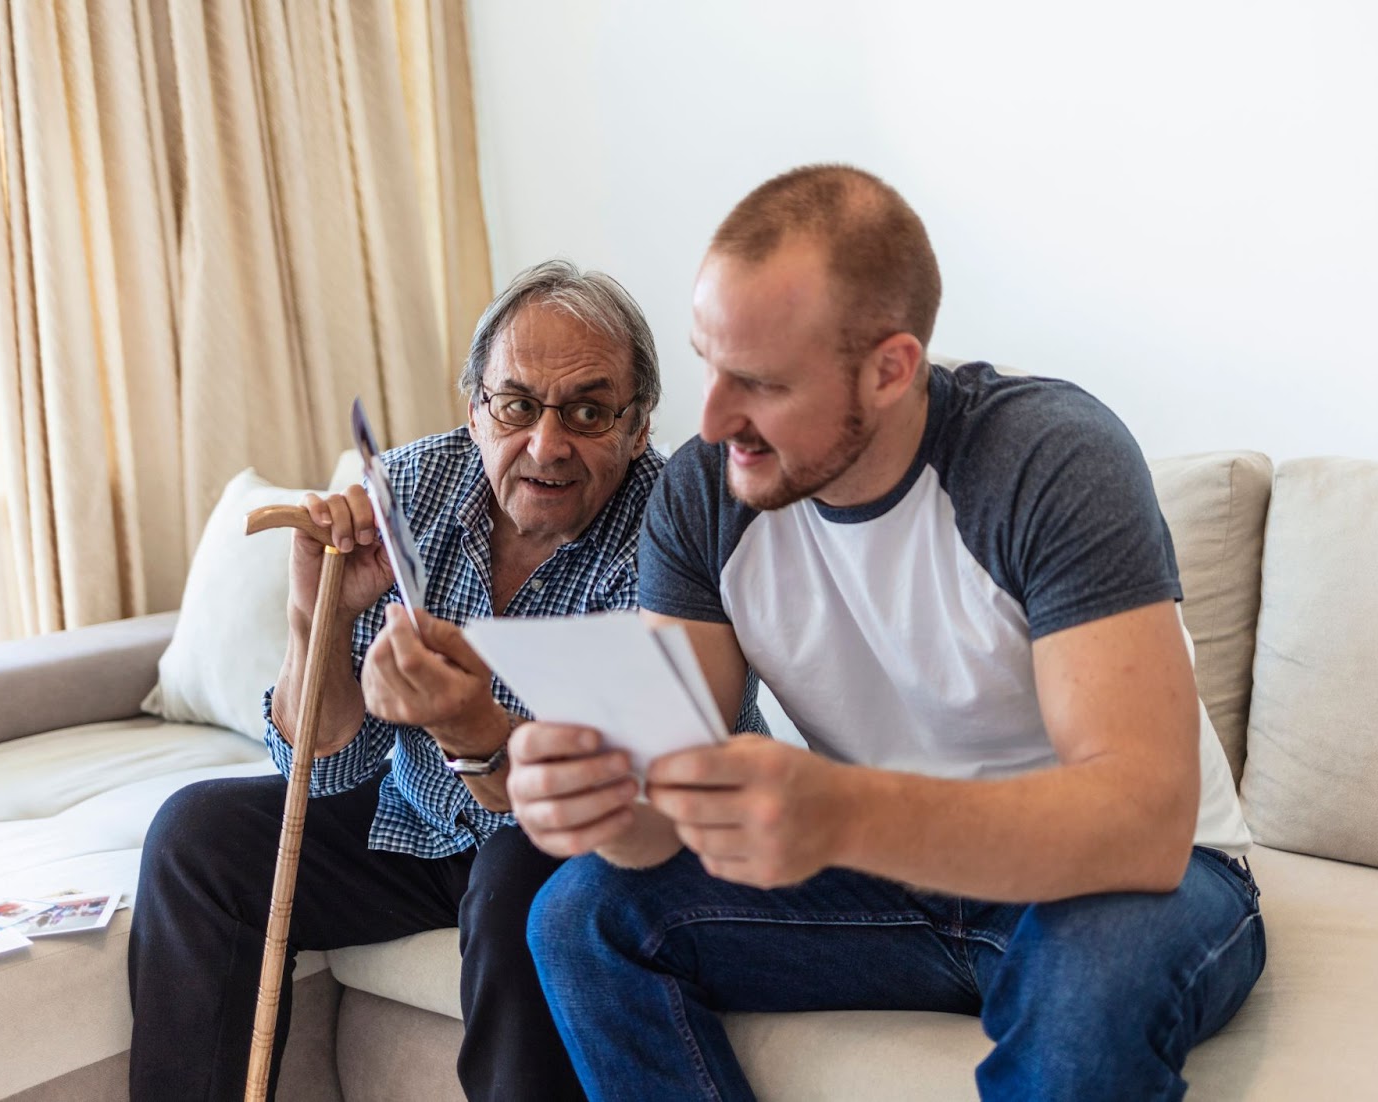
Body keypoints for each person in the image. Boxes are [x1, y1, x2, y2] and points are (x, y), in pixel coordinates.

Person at [507, 166, 1264, 1101]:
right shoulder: (707, 490)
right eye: (710, 364)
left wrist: (845, 812)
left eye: (763, 382)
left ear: (892, 369)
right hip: (882, 882)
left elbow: (1142, 824)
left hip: (1126, 879)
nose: (711, 420)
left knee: (1082, 995)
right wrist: (599, 806)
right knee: (580, 911)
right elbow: (663, 808)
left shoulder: (1048, 459)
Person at [127, 259, 738, 1101]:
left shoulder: (673, 523)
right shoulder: (408, 488)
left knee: (521, 877)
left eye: (589, 412)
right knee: (198, 835)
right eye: (517, 406)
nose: (546, 444)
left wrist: (473, 725)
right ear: (474, 408)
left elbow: (627, 791)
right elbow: (329, 767)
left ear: (637, 429)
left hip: (600, 832)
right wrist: (323, 617)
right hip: (426, 826)